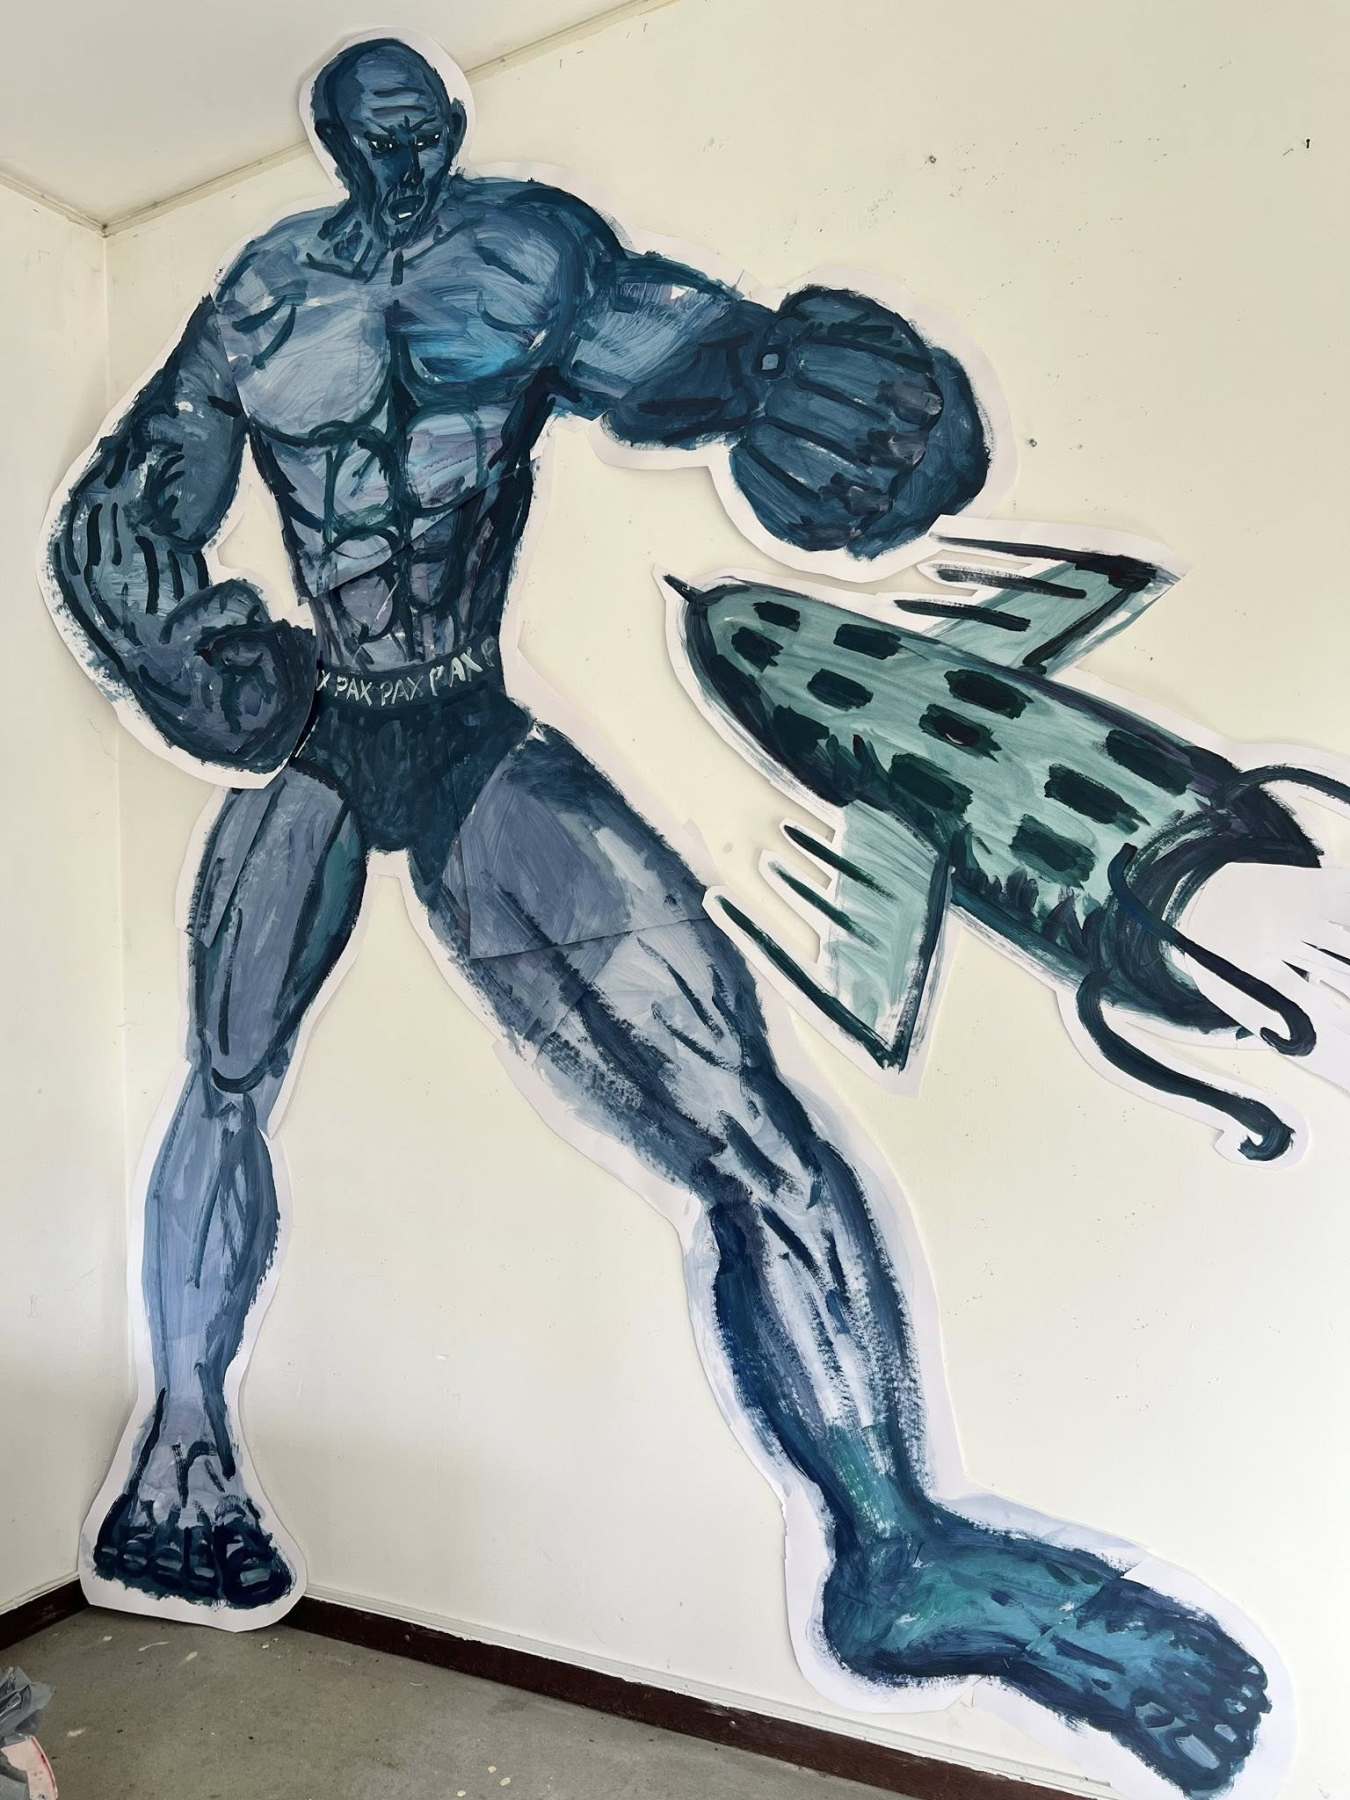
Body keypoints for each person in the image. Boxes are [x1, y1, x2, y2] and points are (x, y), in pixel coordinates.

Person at [45, 36, 1267, 1796]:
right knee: (223, 1077)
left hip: (461, 714)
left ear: (449, 127)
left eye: (423, 126)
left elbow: (693, 365)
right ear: (333, 139)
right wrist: (178, 642)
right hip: (315, 724)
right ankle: (183, 1452)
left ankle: (897, 1548)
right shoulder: (255, 296)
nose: (402, 155)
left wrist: (799, 392)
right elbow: (131, 502)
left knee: (741, 1123)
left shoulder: (525, 252)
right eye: (374, 133)